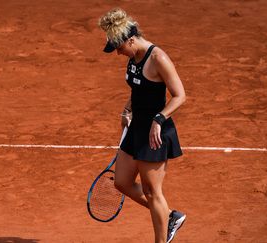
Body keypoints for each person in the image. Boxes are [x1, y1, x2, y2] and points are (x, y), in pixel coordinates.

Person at [98, 8, 187, 243]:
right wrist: (127, 109)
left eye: (119, 47)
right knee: (122, 182)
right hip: (136, 127)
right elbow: (138, 88)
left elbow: (180, 96)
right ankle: (169, 216)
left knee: (152, 192)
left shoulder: (158, 58)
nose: (118, 53)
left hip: (154, 133)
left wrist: (159, 120)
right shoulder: (133, 56)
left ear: (131, 39)